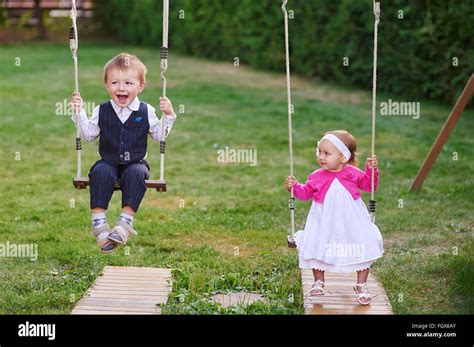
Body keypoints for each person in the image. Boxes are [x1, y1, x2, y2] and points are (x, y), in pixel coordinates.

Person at [70, 53, 177, 253]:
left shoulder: (146, 111)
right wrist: (80, 112)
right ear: (107, 85)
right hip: (108, 161)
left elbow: (159, 135)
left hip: (136, 162)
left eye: (128, 82)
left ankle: (125, 224)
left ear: (141, 86)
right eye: (115, 82)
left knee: (136, 173)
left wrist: (169, 115)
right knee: (100, 171)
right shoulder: (102, 110)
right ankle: (99, 225)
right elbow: (88, 135)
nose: (121, 88)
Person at [285, 130, 383, 305]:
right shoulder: (316, 176)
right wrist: (294, 187)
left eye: (327, 153)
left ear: (343, 157)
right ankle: (318, 281)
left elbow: (369, 186)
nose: (321, 157)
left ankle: (361, 284)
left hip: (352, 220)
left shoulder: (353, 173)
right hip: (324, 220)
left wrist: (371, 170)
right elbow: (306, 193)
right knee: (317, 244)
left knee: (362, 244)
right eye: (319, 152)